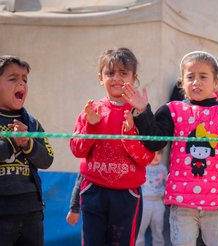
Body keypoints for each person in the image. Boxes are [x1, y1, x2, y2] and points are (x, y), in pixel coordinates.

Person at [123, 50, 218, 246]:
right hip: (182, 202)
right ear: (182, 83)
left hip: (217, 202)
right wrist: (143, 113)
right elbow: (155, 142)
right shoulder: (173, 110)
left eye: (203, 76)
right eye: (190, 77)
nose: (196, 82)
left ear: (216, 83)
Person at [70, 47, 155, 246]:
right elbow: (77, 150)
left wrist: (129, 135)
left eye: (123, 73)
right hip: (93, 190)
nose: (116, 78)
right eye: (110, 73)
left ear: (134, 77)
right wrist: (92, 125)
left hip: (126, 193)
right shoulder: (91, 111)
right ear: (100, 77)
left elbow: (148, 158)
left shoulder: (139, 115)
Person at [0, 55, 54, 245]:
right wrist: (12, 143)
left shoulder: (31, 123)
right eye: (13, 78)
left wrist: (27, 143)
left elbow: (47, 159)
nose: (21, 83)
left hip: (31, 210)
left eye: (24, 79)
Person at [136, 150, 168, 246]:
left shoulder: (162, 168)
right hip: (144, 202)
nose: (156, 156)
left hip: (158, 202)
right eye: (153, 153)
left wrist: (165, 195)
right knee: (140, 229)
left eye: (159, 153)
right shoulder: (143, 167)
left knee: (158, 229)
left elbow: (167, 183)